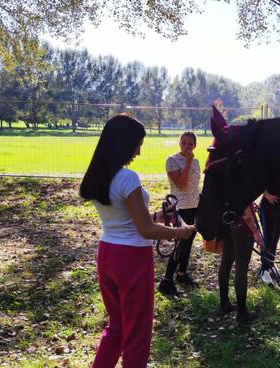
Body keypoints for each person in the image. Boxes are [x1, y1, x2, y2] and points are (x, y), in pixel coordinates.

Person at [79, 114, 194, 368]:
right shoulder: (127, 177)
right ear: (123, 143)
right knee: (137, 334)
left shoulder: (99, 177)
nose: (139, 151)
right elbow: (146, 230)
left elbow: (129, 220)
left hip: (107, 253)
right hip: (132, 260)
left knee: (117, 326)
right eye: (137, 144)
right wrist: (181, 233)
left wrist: (160, 216)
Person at [158, 131, 201, 297]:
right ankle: (167, 281)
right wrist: (188, 163)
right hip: (180, 207)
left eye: (190, 143)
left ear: (195, 145)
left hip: (195, 206)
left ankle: (182, 275)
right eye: (184, 143)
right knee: (179, 245)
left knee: (188, 242)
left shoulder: (196, 161)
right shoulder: (172, 160)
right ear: (179, 143)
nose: (187, 146)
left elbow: (194, 185)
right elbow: (181, 184)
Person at [218, 203, 262, 323]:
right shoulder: (243, 183)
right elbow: (245, 209)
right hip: (243, 226)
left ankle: (224, 303)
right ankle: (242, 312)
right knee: (241, 268)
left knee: (226, 262)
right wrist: (255, 231)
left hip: (227, 221)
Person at [258, 180, 280, 286]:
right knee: (268, 240)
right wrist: (265, 194)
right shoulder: (269, 163)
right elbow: (255, 177)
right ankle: (264, 270)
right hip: (268, 207)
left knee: (275, 239)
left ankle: (270, 266)